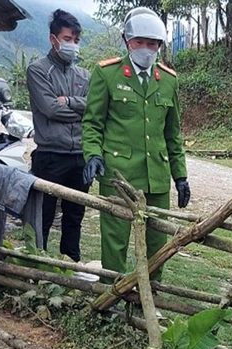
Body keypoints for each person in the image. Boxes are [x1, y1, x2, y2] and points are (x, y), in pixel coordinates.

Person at [81, 7, 190, 281]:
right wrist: (93, 155)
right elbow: (93, 122)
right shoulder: (108, 74)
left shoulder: (168, 80)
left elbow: (173, 134)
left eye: (152, 43)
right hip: (119, 174)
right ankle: (112, 298)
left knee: (157, 243)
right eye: (139, 42)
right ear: (127, 42)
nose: (145, 48)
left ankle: (152, 297)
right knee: (115, 241)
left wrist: (180, 175)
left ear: (159, 46)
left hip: (157, 176)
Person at [26, 9, 91, 265]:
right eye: (67, 39)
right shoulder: (38, 71)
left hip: (80, 156)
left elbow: (95, 108)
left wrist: (70, 102)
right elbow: (50, 108)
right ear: (53, 39)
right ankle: (36, 264)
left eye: (76, 40)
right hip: (51, 155)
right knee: (43, 214)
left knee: (75, 216)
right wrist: (80, 108)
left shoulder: (84, 75)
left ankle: (70, 265)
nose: (72, 45)